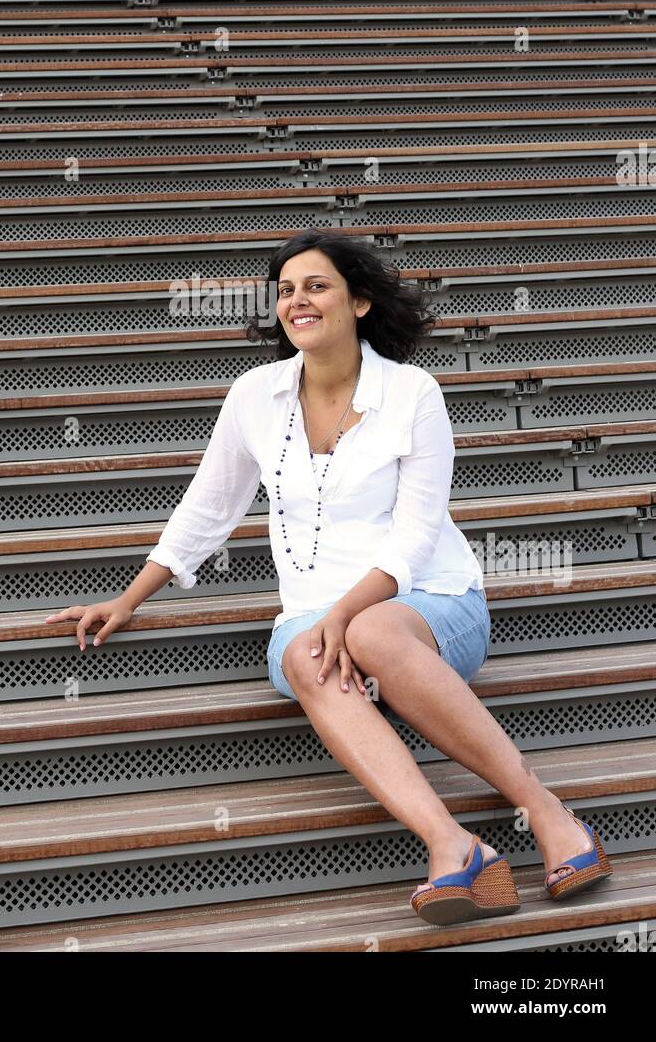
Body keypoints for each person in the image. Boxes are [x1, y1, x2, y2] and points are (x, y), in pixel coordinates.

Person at [45, 229, 612, 924]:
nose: (297, 301)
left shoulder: (411, 393)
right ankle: (455, 847)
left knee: (365, 631)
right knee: (305, 651)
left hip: (429, 602)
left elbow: (414, 537)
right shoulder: (256, 395)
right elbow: (210, 505)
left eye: (315, 286)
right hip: (315, 612)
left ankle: (545, 809)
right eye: (285, 290)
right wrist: (131, 597)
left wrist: (345, 615)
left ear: (361, 301)